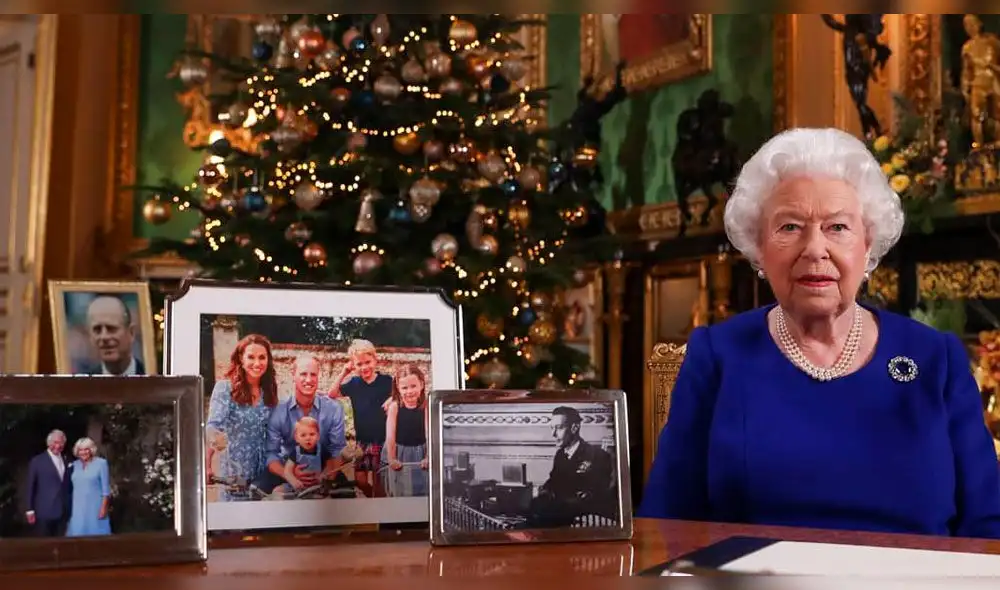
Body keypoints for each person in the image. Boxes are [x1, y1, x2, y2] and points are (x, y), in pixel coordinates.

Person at [639, 127, 1000, 539]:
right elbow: (665, 522)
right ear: (759, 247)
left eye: (837, 227)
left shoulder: (936, 358)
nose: (814, 248)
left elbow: (988, 524)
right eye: (790, 227)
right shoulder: (717, 356)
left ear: (868, 246)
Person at [255, 354, 347, 496]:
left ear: (319, 376)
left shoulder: (334, 409)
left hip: (323, 468)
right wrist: (290, 475)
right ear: (293, 375)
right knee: (256, 490)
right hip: (286, 467)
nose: (308, 380)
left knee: (347, 497)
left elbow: (337, 450)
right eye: (303, 374)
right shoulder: (278, 410)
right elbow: (271, 453)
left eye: (313, 374)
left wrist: (325, 476)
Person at [205, 334, 279, 501]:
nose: (257, 363)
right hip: (234, 477)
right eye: (251, 357)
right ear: (241, 358)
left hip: (262, 481)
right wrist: (207, 464)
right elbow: (213, 427)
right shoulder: (225, 389)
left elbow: (274, 433)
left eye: (262, 357)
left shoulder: (269, 392)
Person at [530, 406, 616, 526]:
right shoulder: (560, 454)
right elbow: (553, 481)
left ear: (574, 428)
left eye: (559, 428)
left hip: (582, 517)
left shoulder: (596, 455)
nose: (553, 434)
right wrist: (543, 491)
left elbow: (599, 493)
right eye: (552, 428)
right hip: (559, 513)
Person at [329, 339, 393, 497]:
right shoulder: (354, 383)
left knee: (379, 482)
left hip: (381, 440)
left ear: (375, 360)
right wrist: (344, 372)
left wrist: (392, 399)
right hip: (362, 442)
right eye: (359, 364)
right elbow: (332, 394)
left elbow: (400, 394)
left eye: (368, 362)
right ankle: (370, 496)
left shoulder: (386, 381)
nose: (364, 367)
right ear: (353, 365)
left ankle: (378, 503)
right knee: (360, 480)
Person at [381, 364, 428, 497]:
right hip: (399, 452)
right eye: (405, 388)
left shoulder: (426, 406)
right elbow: (390, 436)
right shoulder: (394, 407)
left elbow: (429, 433)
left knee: (421, 489)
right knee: (399, 489)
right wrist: (392, 458)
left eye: (413, 386)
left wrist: (428, 456)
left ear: (421, 385)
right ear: (398, 388)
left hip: (420, 453)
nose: (409, 391)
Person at [80, 294, 145, 375]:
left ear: (131, 333)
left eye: (111, 328)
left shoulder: (152, 375)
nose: (104, 337)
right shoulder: (83, 381)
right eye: (97, 329)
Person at [24, 429, 72, 537]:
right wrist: (29, 510)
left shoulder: (67, 460)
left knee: (61, 543)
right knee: (44, 543)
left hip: (63, 512)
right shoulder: (37, 461)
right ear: (49, 443)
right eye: (55, 442)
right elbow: (30, 486)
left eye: (61, 443)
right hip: (44, 511)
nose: (58, 446)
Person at [65, 437, 111, 537]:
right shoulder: (74, 465)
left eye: (86, 449)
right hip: (77, 508)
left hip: (95, 507)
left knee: (96, 536)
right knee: (76, 535)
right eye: (80, 450)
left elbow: (106, 490)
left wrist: (103, 508)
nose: (83, 452)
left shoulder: (101, 463)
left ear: (91, 450)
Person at [281, 416, 323, 492]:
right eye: (303, 435)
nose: (308, 438)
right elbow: (287, 471)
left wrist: (323, 476)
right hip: (299, 484)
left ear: (318, 436)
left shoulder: (322, 450)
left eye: (312, 434)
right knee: (277, 490)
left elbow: (330, 465)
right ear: (296, 438)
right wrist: (294, 481)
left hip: (317, 485)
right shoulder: (296, 451)